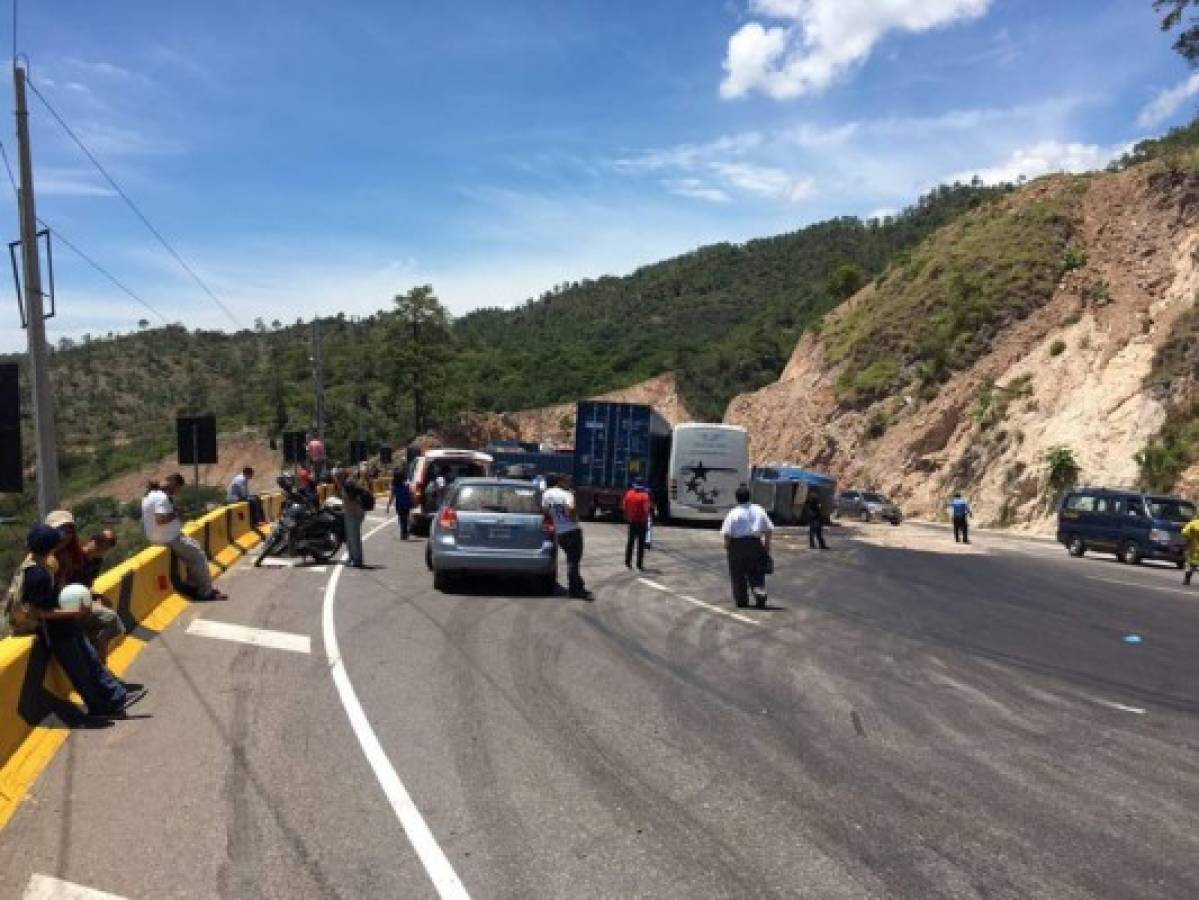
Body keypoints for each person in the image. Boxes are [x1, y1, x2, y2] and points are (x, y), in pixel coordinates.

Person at [8, 525, 143, 717]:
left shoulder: (43, 565)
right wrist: (73, 612)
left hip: (67, 625)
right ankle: (99, 708)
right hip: (55, 632)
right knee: (80, 672)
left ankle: (116, 698)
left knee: (92, 662)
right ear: (50, 547)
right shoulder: (36, 575)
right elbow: (41, 612)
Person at [47, 511, 124, 663]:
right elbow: (64, 583)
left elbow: (87, 585)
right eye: (100, 542)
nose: (101, 547)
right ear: (92, 540)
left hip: (80, 595)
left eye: (106, 546)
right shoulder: (75, 556)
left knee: (109, 617)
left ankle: (98, 649)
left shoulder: (96, 562)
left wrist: (95, 596)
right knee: (111, 619)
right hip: (67, 599)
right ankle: (98, 656)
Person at [142, 475, 227, 601]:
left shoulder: (148, 496)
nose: (177, 492)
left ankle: (193, 585)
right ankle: (206, 592)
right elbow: (161, 519)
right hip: (169, 537)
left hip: (158, 537)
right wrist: (177, 513)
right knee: (198, 555)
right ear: (173, 484)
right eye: (178, 488)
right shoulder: (161, 497)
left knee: (194, 548)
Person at [721, 485, 774, 609]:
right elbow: (769, 529)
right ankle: (759, 592)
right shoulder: (759, 509)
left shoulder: (733, 513)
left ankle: (741, 599)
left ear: (737, 498)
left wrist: (727, 546)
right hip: (755, 543)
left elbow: (727, 533)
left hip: (738, 545)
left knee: (738, 574)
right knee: (757, 571)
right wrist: (766, 546)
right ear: (749, 496)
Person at [543, 474, 591, 599]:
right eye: (567, 481)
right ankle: (575, 590)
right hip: (571, 530)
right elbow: (571, 508)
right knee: (573, 561)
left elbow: (545, 510)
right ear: (560, 481)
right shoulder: (567, 494)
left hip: (559, 531)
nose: (569, 483)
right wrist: (574, 517)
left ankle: (578, 586)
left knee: (571, 560)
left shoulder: (547, 494)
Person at [337, 468, 368, 567]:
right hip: (351, 513)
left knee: (354, 538)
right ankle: (352, 557)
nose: (337, 479)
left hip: (354, 514)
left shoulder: (348, 484)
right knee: (350, 538)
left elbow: (352, 498)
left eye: (338, 477)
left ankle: (357, 560)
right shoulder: (348, 483)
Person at [622, 480, 652, 571]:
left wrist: (627, 516)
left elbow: (624, 507)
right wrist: (647, 520)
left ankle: (627, 562)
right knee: (640, 544)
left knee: (630, 542)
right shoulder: (645, 496)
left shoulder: (629, 494)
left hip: (631, 521)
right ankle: (639, 565)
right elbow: (646, 509)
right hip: (641, 522)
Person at [386, 467, 413, 540]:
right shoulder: (406, 485)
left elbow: (392, 497)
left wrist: (388, 505)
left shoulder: (395, 487)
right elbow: (410, 494)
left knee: (401, 519)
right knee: (406, 518)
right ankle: (405, 532)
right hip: (406, 504)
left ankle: (403, 533)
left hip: (399, 505)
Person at [1183, 510, 1199, 586]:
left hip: (1193, 546)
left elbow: (1184, 532)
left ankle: (1187, 578)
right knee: (1193, 564)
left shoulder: (1193, 523)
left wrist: (1189, 538)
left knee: (1190, 563)